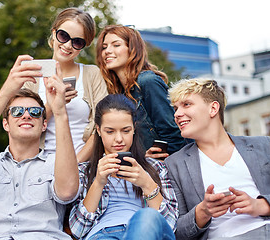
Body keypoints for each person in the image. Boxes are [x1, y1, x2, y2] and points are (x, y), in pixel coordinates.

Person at [0, 55, 80, 239]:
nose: (26, 115)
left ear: (44, 124)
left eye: (35, 112)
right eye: (17, 111)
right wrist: (7, 90)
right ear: (5, 124)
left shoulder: (56, 164)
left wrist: (60, 111)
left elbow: (68, 191)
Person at [165, 78, 270, 240]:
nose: (177, 114)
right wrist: (203, 211)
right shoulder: (174, 164)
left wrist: (260, 205)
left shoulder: (262, 145)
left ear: (213, 108)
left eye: (186, 104)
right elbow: (176, 231)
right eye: (175, 108)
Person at [69, 94, 178, 240]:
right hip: (103, 234)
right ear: (99, 131)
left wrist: (146, 183)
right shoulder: (84, 171)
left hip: (146, 232)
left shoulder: (155, 167)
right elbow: (78, 230)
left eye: (126, 131)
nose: (119, 139)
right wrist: (99, 182)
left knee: (147, 216)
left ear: (134, 129)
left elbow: (170, 224)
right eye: (110, 131)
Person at [24, 7, 108, 163]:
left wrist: (74, 166)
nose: (68, 45)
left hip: (81, 165)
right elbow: (21, 126)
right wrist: (53, 104)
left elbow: (102, 127)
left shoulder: (92, 74)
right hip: (37, 164)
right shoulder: (32, 74)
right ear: (54, 32)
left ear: (84, 45)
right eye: (63, 36)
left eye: (77, 42)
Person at [95, 25, 187, 159]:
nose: (107, 51)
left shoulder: (148, 81)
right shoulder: (117, 93)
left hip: (164, 170)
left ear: (132, 49)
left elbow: (174, 135)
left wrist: (154, 159)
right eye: (104, 47)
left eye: (116, 45)